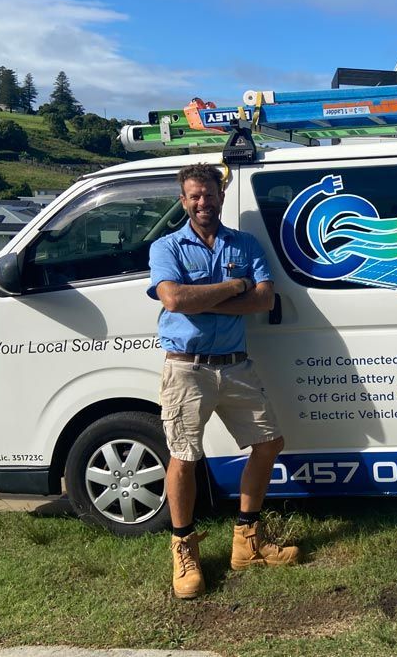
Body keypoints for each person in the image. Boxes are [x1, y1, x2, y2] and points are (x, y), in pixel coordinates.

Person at [148, 162, 299, 600]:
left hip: (235, 365)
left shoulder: (245, 243)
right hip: (186, 367)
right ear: (183, 201)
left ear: (221, 196)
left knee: (269, 442)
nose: (203, 202)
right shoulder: (166, 246)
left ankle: (246, 542)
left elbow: (264, 298)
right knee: (184, 456)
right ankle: (183, 550)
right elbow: (173, 299)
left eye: (209, 195)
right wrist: (234, 287)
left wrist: (206, 299)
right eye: (194, 196)